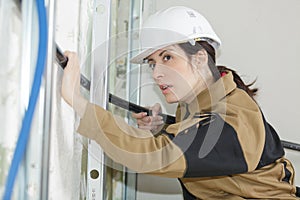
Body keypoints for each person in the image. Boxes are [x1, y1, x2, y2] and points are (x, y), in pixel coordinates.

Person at [61, 6, 299, 199]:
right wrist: (163, 128)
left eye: (167, 57)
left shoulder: (233, 122)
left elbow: (155, 155)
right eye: (153, 63)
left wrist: (78, 102)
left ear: (199, 58)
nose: (156, 74)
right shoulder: (197, 103)